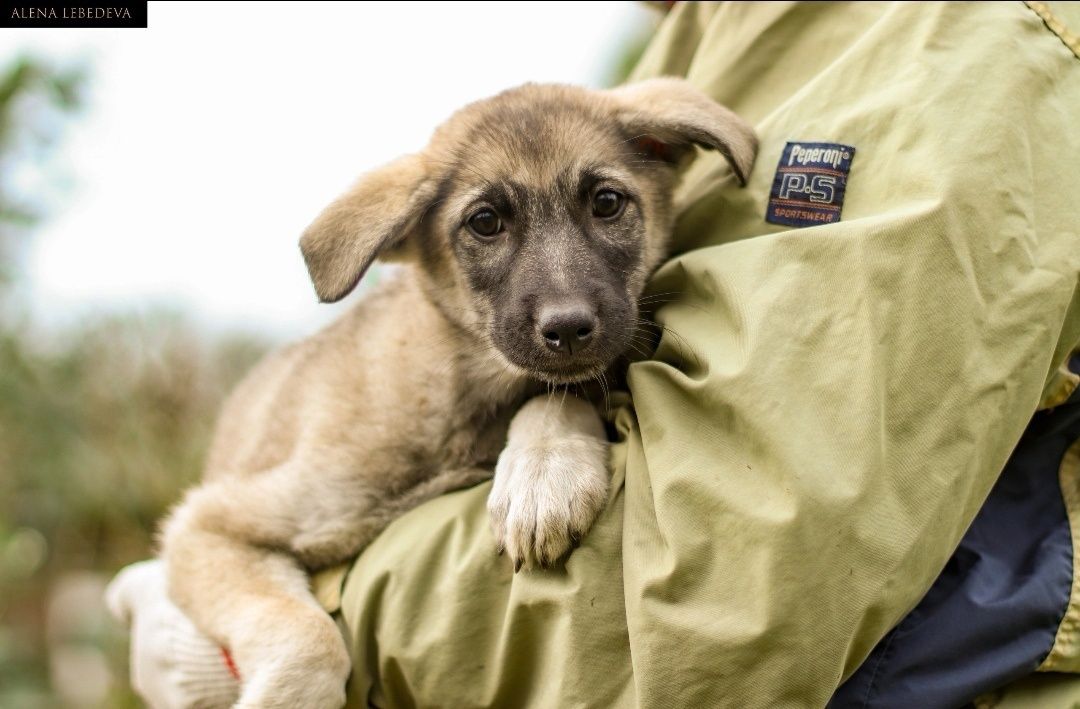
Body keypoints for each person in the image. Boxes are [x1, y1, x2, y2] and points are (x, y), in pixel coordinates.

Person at [107, 2, 1080, 706]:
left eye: (604, 205)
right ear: (406, 247)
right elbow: (215, 535)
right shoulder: (706, 24)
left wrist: (555, 413)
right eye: (488, 224)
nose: (566, 301)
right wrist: (279, 637)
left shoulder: (969, 38)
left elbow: (727, 599)